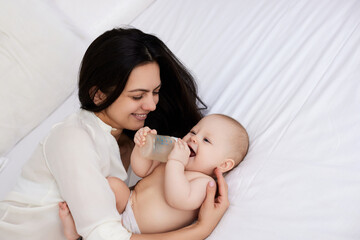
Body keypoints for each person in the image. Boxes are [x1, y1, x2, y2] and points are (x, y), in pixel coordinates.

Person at [0, 28, 230, 240]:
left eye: (156, 92)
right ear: (98, 95)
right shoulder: (73, 137)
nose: (151, 105)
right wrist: (199, 230)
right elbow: (106, 235)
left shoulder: (138, 143)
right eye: (138, 96)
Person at [59, 114, 249, 238]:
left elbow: (177, 199)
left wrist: (176, 163)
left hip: (138, 229)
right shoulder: (172, 153)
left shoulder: (203, 182)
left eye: (206, 140)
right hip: (127, 202)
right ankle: (79, 224)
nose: (193, 138)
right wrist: (141, 147)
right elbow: (142, 170)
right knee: (113, 185)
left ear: (224, 164)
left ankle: (78, 233)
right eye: (193, 131)